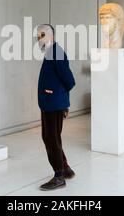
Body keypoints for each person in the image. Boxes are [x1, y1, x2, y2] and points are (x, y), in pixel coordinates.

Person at [36, 24, 76, 191]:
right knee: (52, 138)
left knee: (51, 138)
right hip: (50, 103)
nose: (40, 38)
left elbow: (69, 80)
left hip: (54, 104)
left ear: (51, 36)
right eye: (38, 35)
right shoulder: (50, 52)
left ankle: (59, 176)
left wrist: (59, 97)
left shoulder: (56, 52)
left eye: (43, 34)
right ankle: (65, 168)